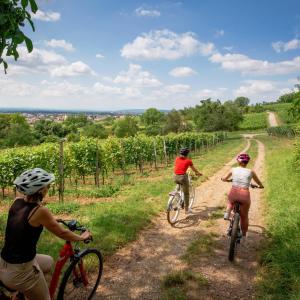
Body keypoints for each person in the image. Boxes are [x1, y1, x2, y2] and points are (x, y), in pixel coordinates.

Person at [0, 168, 91, 300]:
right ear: (41, 190)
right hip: (20, 271)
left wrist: (52, 220)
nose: (49, 188)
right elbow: (62, 232)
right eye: (47, 185)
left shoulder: (16, 202)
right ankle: (25, 288)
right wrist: (82, 237)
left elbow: (30, 218)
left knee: (48, 262)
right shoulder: (40, 211)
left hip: (4, 262)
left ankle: (20, 293)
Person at [221, 153, 264, 242]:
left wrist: (224, 179)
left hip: (234, 192)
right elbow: (259, 183)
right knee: (244, 216)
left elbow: (224, 178)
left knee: (230, 200)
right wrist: (260, 186)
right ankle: (244, 235)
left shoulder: (233, 169)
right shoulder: (251, 172)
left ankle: (227, 212)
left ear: (238, 161)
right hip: (245, 195)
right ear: (247, 162)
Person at [174, 147, 202, 214]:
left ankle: (177, 198)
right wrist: (198, 173)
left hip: (175, 177)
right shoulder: (188, 161)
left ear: (180, 153)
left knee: (178, 188)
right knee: (186, 193)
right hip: (183, 177)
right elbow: (194, 169)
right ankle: (186, 210)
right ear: (187, 154)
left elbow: (179, 167)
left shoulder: (176, 159)